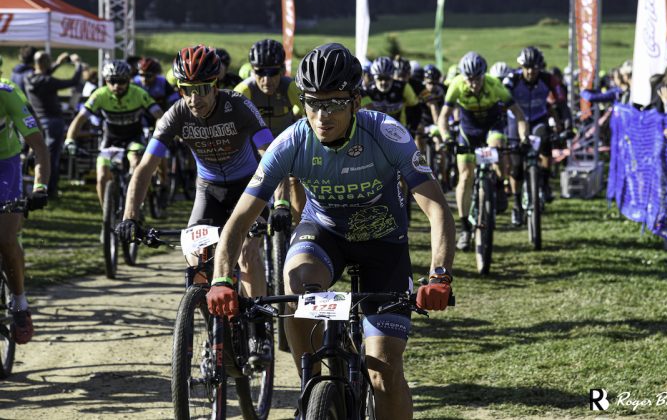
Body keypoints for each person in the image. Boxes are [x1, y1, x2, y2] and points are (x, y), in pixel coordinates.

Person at [206, 43, 455, 420]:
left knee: (383, 373)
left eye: (335, 103)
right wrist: (222, 279)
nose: (322, 115)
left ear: (356, 101)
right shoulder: (290, 142)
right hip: (323, 235)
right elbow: (239, 220)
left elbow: (436, 208)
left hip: (383, 244)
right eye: (313, 102)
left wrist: (439, 273)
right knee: (296, 291)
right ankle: (314, 385)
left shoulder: (386, 133)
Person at [116, 45, 274, 315]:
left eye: (201, 89)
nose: (193, 98)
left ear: (215, 86)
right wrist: (130, 216)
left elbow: (270, 153)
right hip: (208, 190)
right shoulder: (176, 115)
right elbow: (144, 168)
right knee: (195, 260)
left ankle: (259, 330)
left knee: (247, 251)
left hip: (247, 188)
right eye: (185, 89)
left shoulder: (238, 106)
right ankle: (214, 332)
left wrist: (279, 201)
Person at [438, 52, 528, 250]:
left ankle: (499, 186)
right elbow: (443, 117)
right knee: (465, 176)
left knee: (497, 149)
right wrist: (447, 139)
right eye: (469, 79)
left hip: (492, 127)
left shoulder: (495, 85)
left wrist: (524, 138)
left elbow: (518, 114)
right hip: (468, 130)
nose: (473, 84)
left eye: (477, 79)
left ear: (483, 75)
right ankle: (465, 228)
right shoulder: (456, 85)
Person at [65, 60, 163, 208]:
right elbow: (80, 119)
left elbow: (159, 116)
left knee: (136, 162)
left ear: (129, 80)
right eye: (112, 81)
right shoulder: (99, 95)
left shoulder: (139, 93)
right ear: (106, 80)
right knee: (102, 177)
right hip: (111, 140)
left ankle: (135, 206)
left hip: (133, 138)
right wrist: (70, 139)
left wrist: (159, 137)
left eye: (122, 81)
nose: (117, 86)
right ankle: (107, 217)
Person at [0, 76, 50, 344]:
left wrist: (40, 187)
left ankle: (19, 302)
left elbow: (39, 147)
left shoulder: (7, 93)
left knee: (6, 238)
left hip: (4, 166)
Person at [234, 39, 305, 223]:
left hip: (286, 143)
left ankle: (299, 226)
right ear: (252, 71)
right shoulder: (243, 90)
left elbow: (309, 120)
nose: (267, 80)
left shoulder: (290, 87)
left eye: (273, 72)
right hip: (256, 147)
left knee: (294, 179)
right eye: (260, 72)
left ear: (282, 70)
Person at [503, 47, 564, 224]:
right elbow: (501, 95)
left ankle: (543, 184)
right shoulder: (513, 79)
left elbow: (561, 103)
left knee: (545, 139)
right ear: (521, 66)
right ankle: (516, 205)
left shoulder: (548, 79)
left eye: (535, 67)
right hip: (515, 120)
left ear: (540, 67)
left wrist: (566, 123)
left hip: (538, 119)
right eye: (527, 67)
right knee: (516, 166)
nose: (530, 71)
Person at [24, 50, 83, 199]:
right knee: (51, 158)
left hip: (37, 122)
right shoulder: (48, 81)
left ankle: (36, 186)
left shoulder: (28, 79)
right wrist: (78, 64)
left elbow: (43, 71)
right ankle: (50, 191)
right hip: (53, 122)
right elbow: (74, 81)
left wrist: (58, 63)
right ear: (47, 63)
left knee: (39, 155)